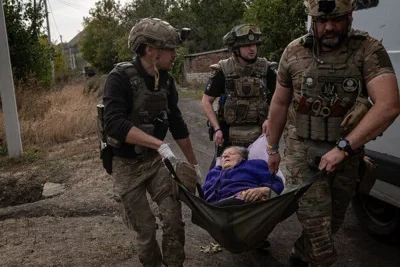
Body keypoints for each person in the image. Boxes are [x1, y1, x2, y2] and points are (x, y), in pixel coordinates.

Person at [267, 0, 400, 266]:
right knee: (319, 232)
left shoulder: (367, 49)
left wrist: (343, 148)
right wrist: (272, 149)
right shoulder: (294, 51)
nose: (329, 27)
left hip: (346, 157)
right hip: (301, 155)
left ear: (350, 16)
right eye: (321, 21)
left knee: (333, 223)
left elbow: (389, 104)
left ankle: (301, 255)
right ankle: (317, 257)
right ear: (312, 21)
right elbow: (280, 103)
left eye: (337, 19)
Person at [102, 18, 201, 267]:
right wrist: (159, 144)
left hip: (154, 163)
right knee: (146, 230)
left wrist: (194, 163)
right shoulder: (119, 78)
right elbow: (114, 124)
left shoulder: (166, 80)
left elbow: (177, 123)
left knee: (174, 218)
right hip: (126, 166)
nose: (175, 54)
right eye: (170, 49)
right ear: (150, 50)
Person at [201, 24, 277, 166]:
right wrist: (217, 128)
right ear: (235, 49)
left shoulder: (266, 69)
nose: (252, 48)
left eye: (254, 44)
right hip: (229, 138)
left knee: (264, 176)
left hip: (259, 136)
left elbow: (279, 98)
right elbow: (206, 101)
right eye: (247, 45)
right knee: (220, 176)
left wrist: (270, 119)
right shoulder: (223, 69)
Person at [202, 146, 284, 206]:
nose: (226, 156)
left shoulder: (253, 165)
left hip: (243, 205)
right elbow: (202, 194)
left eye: (231, 154)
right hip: (211, 209)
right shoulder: (213, 172)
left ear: (242, 157)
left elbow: (277, 183)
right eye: (223, 156)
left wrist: (264, 190)